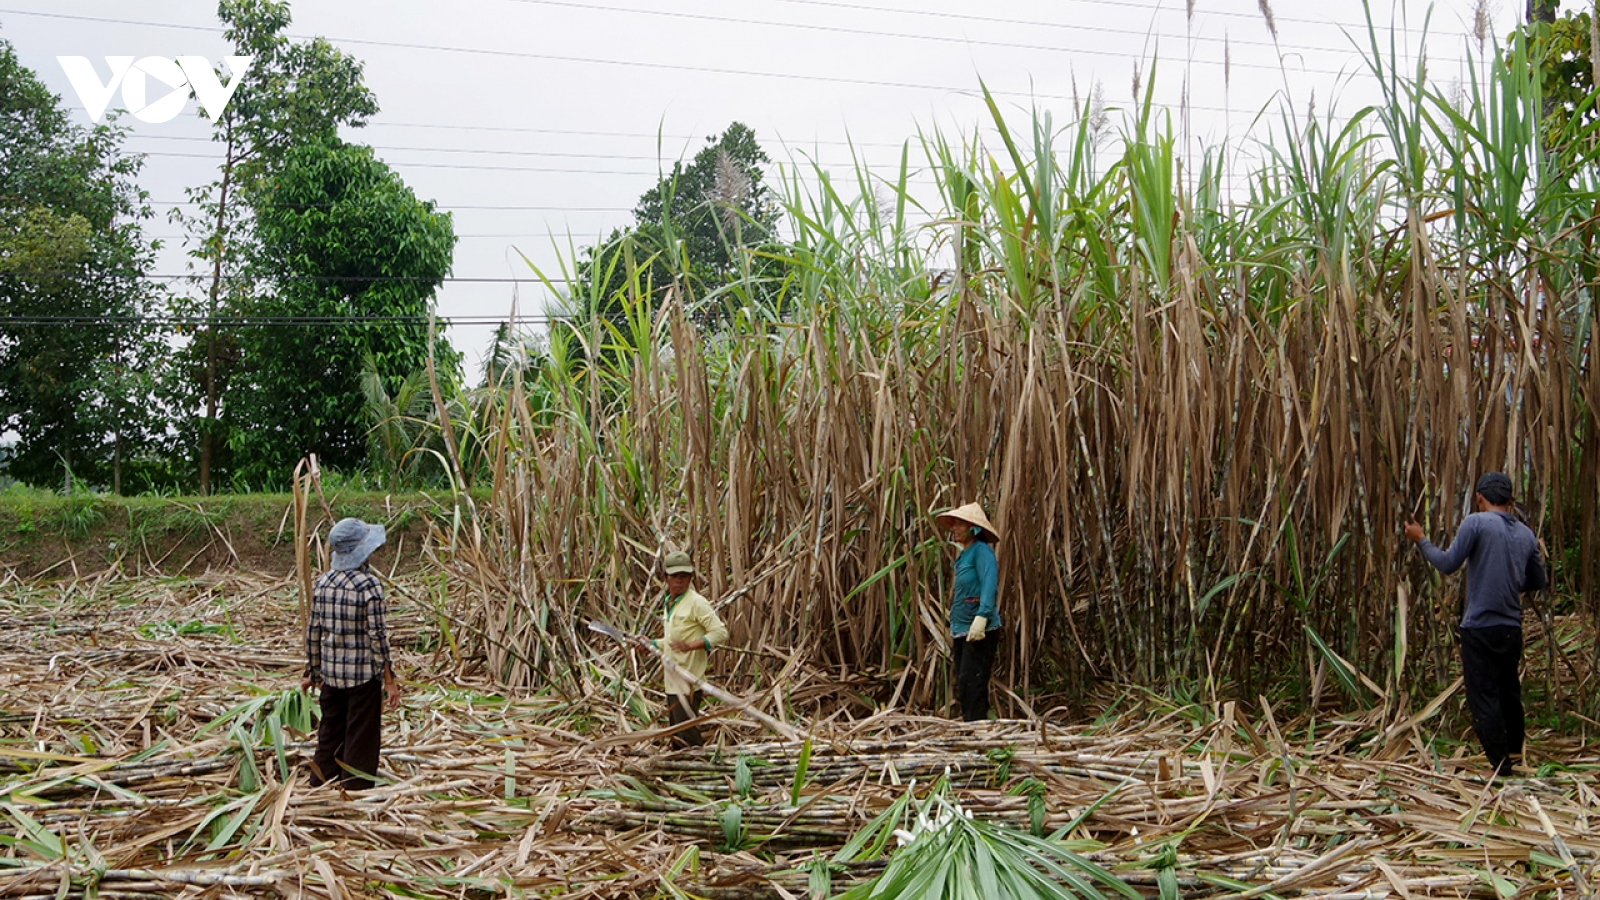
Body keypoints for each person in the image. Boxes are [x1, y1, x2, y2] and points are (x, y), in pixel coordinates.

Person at [1405, 472, 1548, 777]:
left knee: (1483, 695)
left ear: (1480, 497)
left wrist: (1421, 540)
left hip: (1480, 626)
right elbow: (1539, 580)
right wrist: (1509, 581)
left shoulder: (1476, 522)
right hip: (1511, 627)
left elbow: (1447, 564)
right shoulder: (1526, 533)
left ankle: (1501, 767)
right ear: (1510, 500)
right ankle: (1514, 752)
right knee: (1509, 690)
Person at [302, 517, 402, 790]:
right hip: (362, 678)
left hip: (331, 676)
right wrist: (390, 680)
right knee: (361, 736)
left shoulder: (323, 584)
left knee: (330, 733)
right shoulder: (368, 586)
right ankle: (355, 791)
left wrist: (313, 672)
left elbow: (313, 632)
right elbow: (378, 638)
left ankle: (319, 785)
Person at [935, 503, 1002, 722]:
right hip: (963, 629)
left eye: (960, 524)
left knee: (973, 682)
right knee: (965, 683)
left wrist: (982, 617)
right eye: (953, 524)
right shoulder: (965, 555)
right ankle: (972, 728)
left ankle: (978, 730)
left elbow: (989, 584)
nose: (954, 528)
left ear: (973, 528)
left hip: (981, 629)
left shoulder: (982, 552)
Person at [656, 550, 729, 747]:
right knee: (678, 735)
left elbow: (720, 632)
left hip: (688, 681)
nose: (679, 581)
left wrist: (691, 646)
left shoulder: (697, 603)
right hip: (672, 680)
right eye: (674, 576)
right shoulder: (669, 602)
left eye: (684, 576)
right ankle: (684, 771)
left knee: (687, 736)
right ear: (666, 578)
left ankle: (697, 770)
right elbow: (673, 641)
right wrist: (653, 644)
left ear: (690, 578)